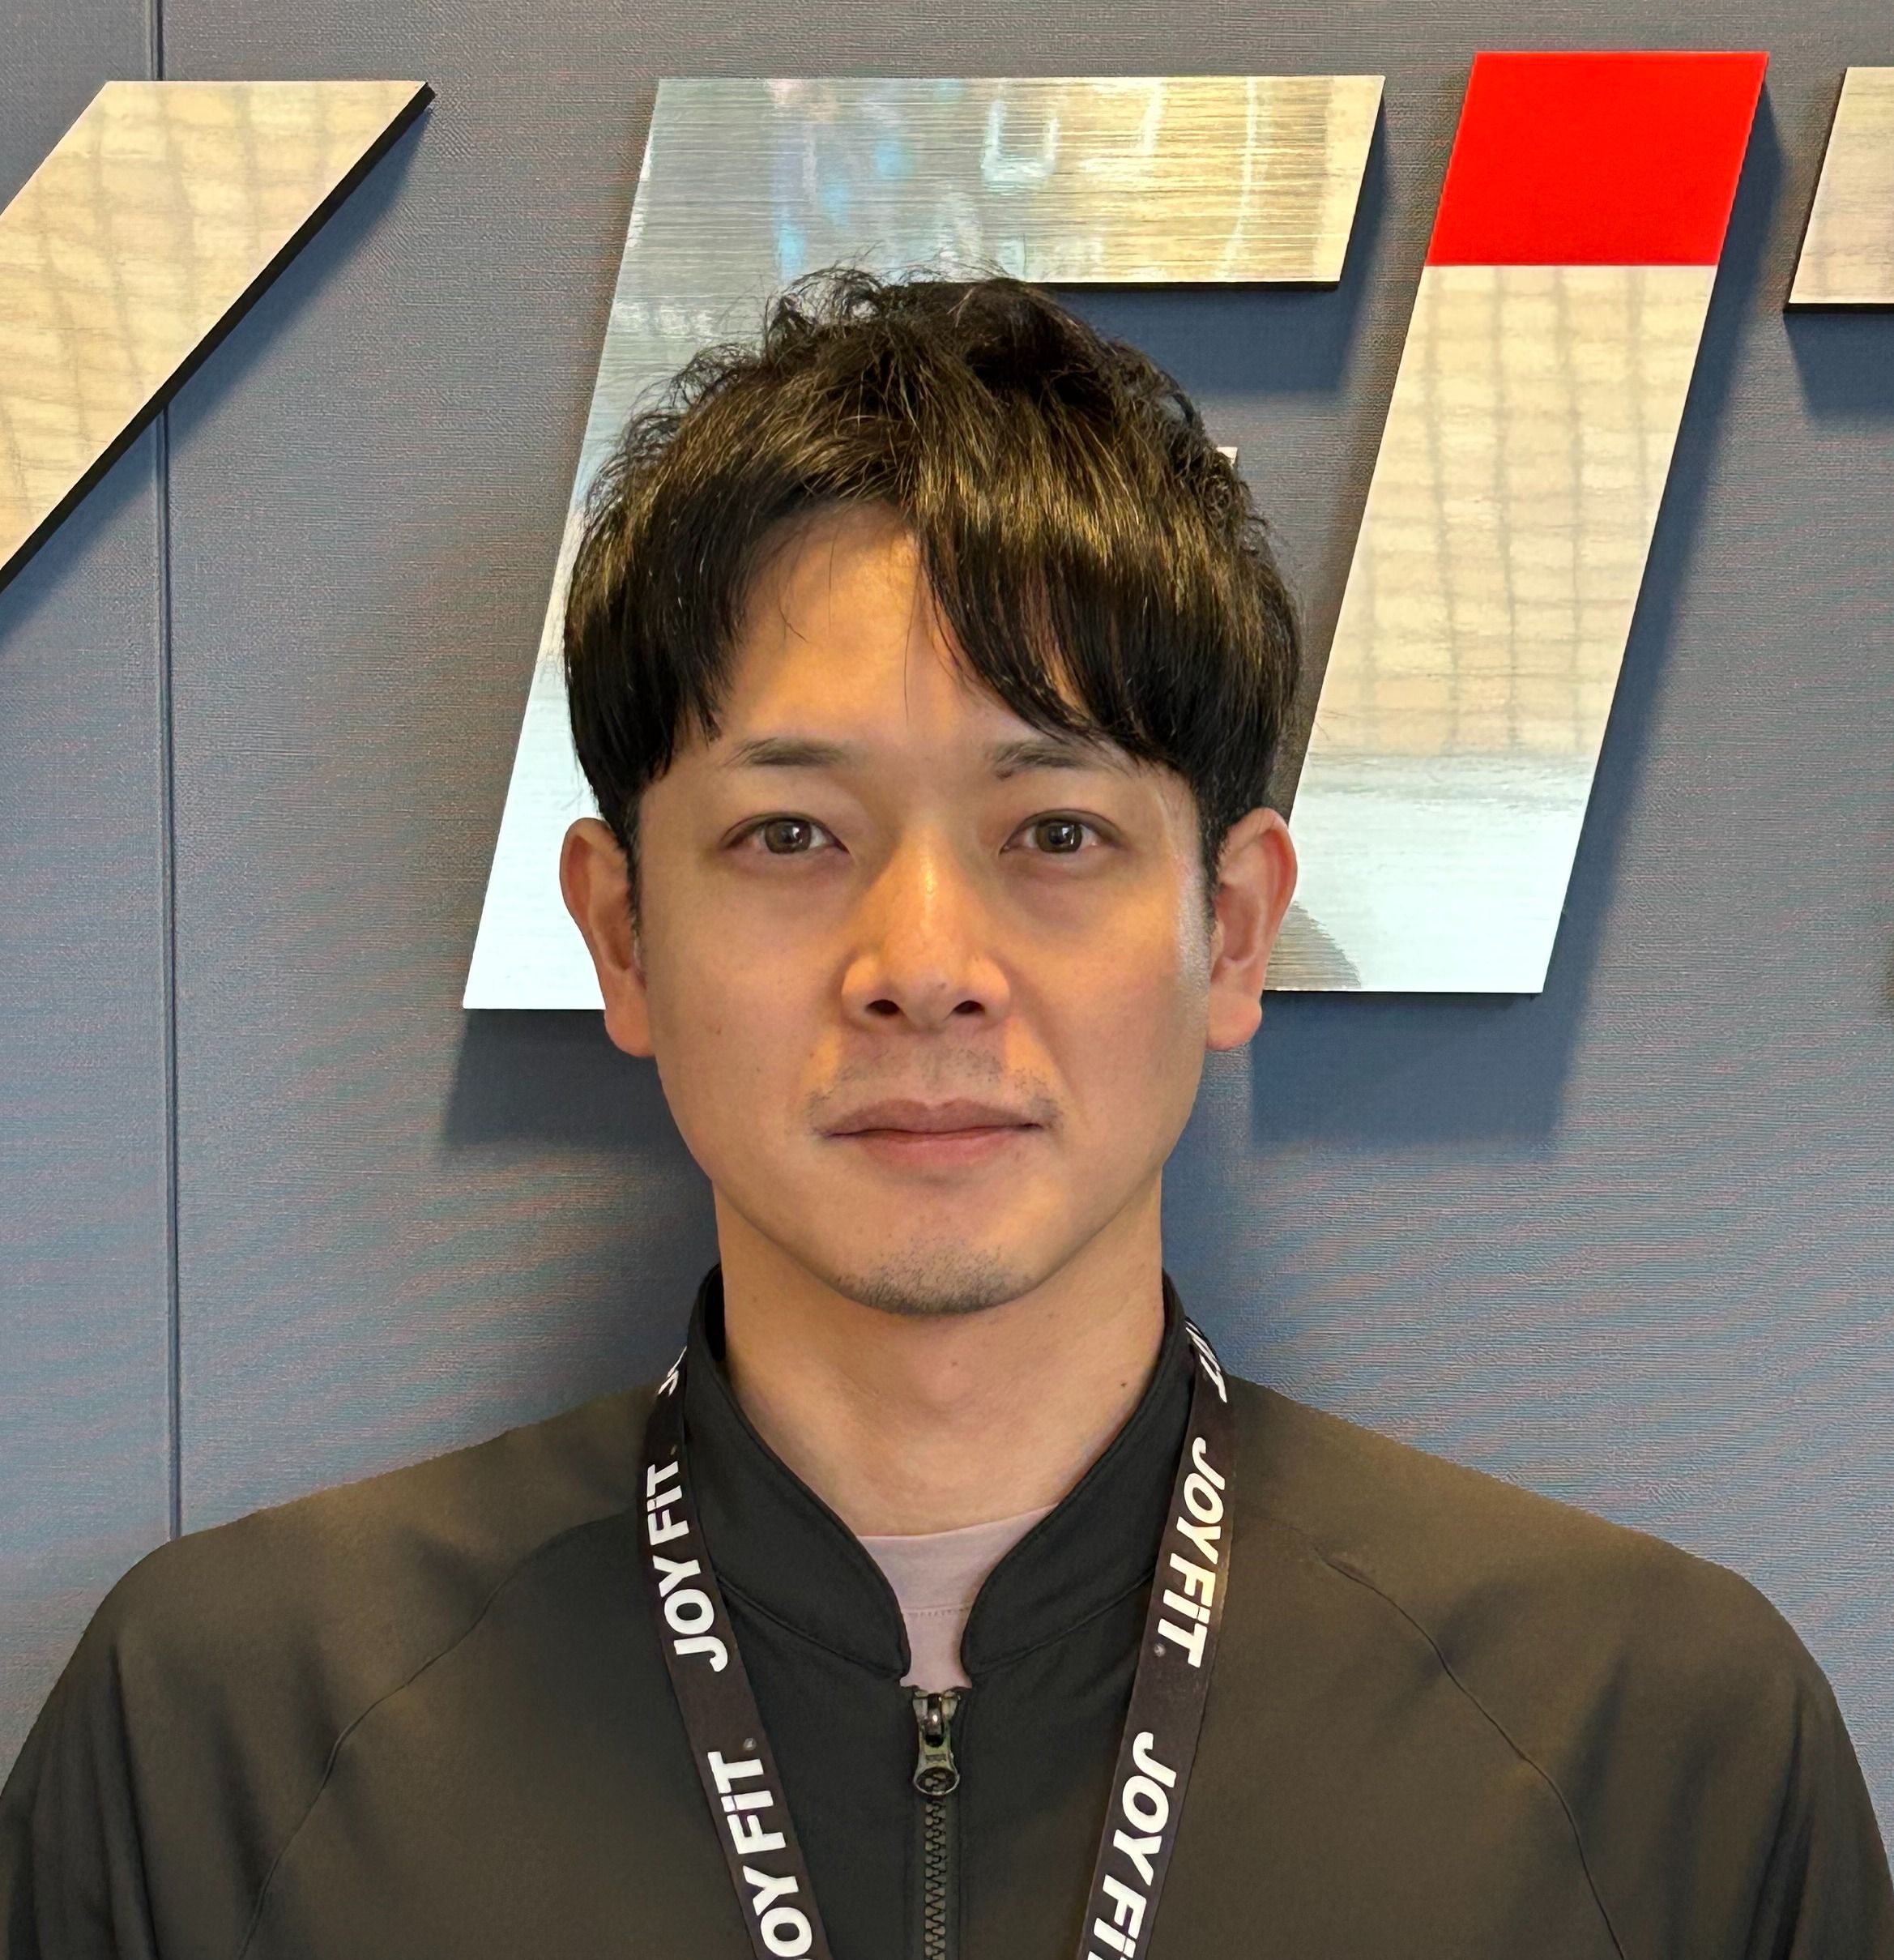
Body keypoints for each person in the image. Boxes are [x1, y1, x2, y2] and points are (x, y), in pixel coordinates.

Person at [2, 265, 1889, 1960]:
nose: (921, 963)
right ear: (622, 934)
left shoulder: (1644, 1744)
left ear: (1230, 930)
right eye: (789, 834)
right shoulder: (227, 1738)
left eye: (1052, 830)